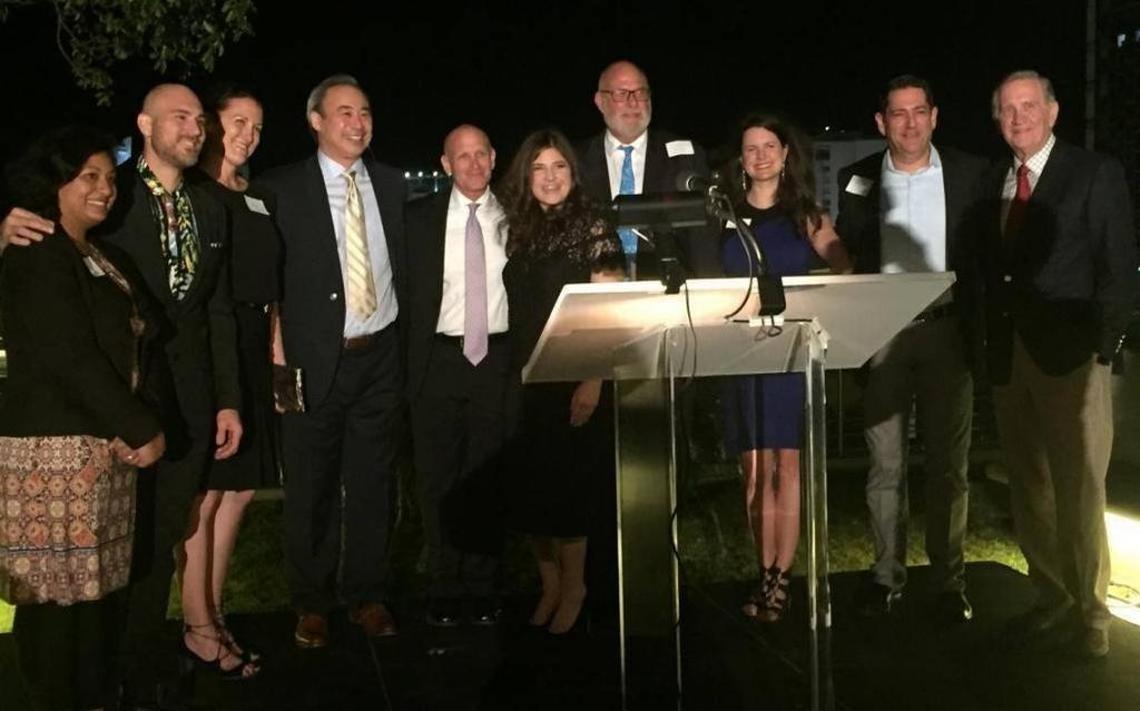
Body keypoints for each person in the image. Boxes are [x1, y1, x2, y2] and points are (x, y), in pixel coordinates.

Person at [0, 83, 246, 705]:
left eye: (199, 117)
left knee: (133, 558)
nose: (102, 188)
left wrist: (223, 397)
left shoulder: (195, 213)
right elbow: (65, 349)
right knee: (63, 592)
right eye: (179, 116)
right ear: (144, 124)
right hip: (78, 438)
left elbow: (207, 311)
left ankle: (125, 671)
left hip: (144, 421)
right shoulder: (54, 237)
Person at [0, 126, 166, 710]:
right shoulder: (35, 249)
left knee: (93, 594)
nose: (104, 189)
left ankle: (93, 694)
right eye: (87, 176)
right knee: (53, 601)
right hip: (52, 456)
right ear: (53, 184)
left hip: (99, 452)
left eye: (111, 178)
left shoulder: (95, 252)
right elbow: (69, 353)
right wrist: (141, 427)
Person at [981, 70, 1138, 658]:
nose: (1018, 117)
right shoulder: (995, 180)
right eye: (1006, 109)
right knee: (1029, 486)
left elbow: (1118, 270)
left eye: (1028, 105)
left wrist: (1103, 348)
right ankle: (1052, 597)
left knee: (1080, 488)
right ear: (997, 119)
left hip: (1073, 361)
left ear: (1053, 110)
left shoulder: (1094, 173)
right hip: (1011, 359)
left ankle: (1093, 614)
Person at [257, 74, 405, 648]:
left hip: (380, 359)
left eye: (365, 112)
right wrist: (277, 355)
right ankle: (311, 602)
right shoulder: (281, 189)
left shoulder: (391, 185)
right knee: (311, 489)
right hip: (312, 361)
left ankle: (368, 594)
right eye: (344, 112)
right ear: (316, 121)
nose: (358, 122)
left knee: (372, 485)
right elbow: (269, 279)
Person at [835, 75, 987, 624]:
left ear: (935, 115)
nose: (909, 122)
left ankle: (950, 583)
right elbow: (846, 255)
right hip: (884, 336)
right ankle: (884, 576)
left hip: (949, 331)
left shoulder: (972, 174)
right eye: (897, 114)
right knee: (885, 466)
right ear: (881, 123)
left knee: (950, 467)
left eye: (918, 110)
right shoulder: (857, 180)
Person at [721, 114, 851, 621]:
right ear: (741, 159)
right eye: (750, 148)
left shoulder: (806, 215)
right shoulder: (724, 217)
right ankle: (763, 570)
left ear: (785, 153)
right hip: (741, 355)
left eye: (768, 145)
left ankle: (782, 578)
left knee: (787, 468)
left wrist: (836, 276)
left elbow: (839, 257)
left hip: (792, 355)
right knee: (753, 471)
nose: (759, 156)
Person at [501, 129, 624, 634]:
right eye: (539, 168)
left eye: (559, 168)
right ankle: (549, 585)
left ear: (574, 175)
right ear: (526, 176)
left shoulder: (593, 226)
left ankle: (575, 588)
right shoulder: (519, 228)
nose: (550, 178)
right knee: (534, 494)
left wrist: (593, 378)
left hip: (574, 377)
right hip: (525, 379)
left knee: (568, 493)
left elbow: (608, 310)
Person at [175, 84, 277, 674]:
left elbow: (272, 285)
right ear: (213, 125)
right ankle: (196, 624)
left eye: (257, 127)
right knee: (207, 492)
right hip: (213, 350)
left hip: (253, 352)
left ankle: (212, 611)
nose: (247, 135)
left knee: (239, 490)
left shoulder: (257, 196)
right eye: (239, 122)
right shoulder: (191, 193)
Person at [406, 125, 510, 627]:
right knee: (437, 478)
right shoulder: (418, 219)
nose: (471, 165)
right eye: (460, 157)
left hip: (497, 360)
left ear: (493, 158)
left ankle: (483, 584)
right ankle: (443, 583)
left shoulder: (518, 216)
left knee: (489, 476)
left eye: (480, 155)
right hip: (437, 362)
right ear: (445, 164)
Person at [577, 60, 719, 280]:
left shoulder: (685, 158)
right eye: (621, 94)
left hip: (668, 294)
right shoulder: (575, 161)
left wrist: (711, 299)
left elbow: (703, 238)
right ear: (600, 101)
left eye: (640, 93)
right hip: (595, 293)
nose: (633, 102)